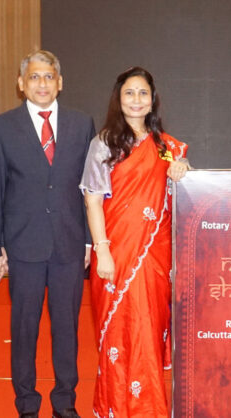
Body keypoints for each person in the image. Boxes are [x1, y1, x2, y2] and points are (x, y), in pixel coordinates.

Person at [0, 50, 95, 418]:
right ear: (21, 84)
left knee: (67, 329)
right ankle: (27, 404)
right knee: (24, 329)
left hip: (69, 244)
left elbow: (90, 187)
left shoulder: (82, 124)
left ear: (60, 83)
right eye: (34, 77)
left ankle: (65, 402)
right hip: (22, 246)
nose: (42, 83)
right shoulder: (1, 127)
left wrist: (88, 240)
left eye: (49, 76)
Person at [81, 66, 189, 418]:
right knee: (118, 335)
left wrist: (183, 170)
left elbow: (181, 195)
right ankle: (114, 408)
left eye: (143, 93)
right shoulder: (104, 143)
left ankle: (149, 409)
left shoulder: (167, 147)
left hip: (155, 258)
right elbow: (93, 201)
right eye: (129, 93)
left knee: (147, 332)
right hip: (115, 252)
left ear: (152, 100)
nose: (136, 100)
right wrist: (102, 251)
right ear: (119, 98)